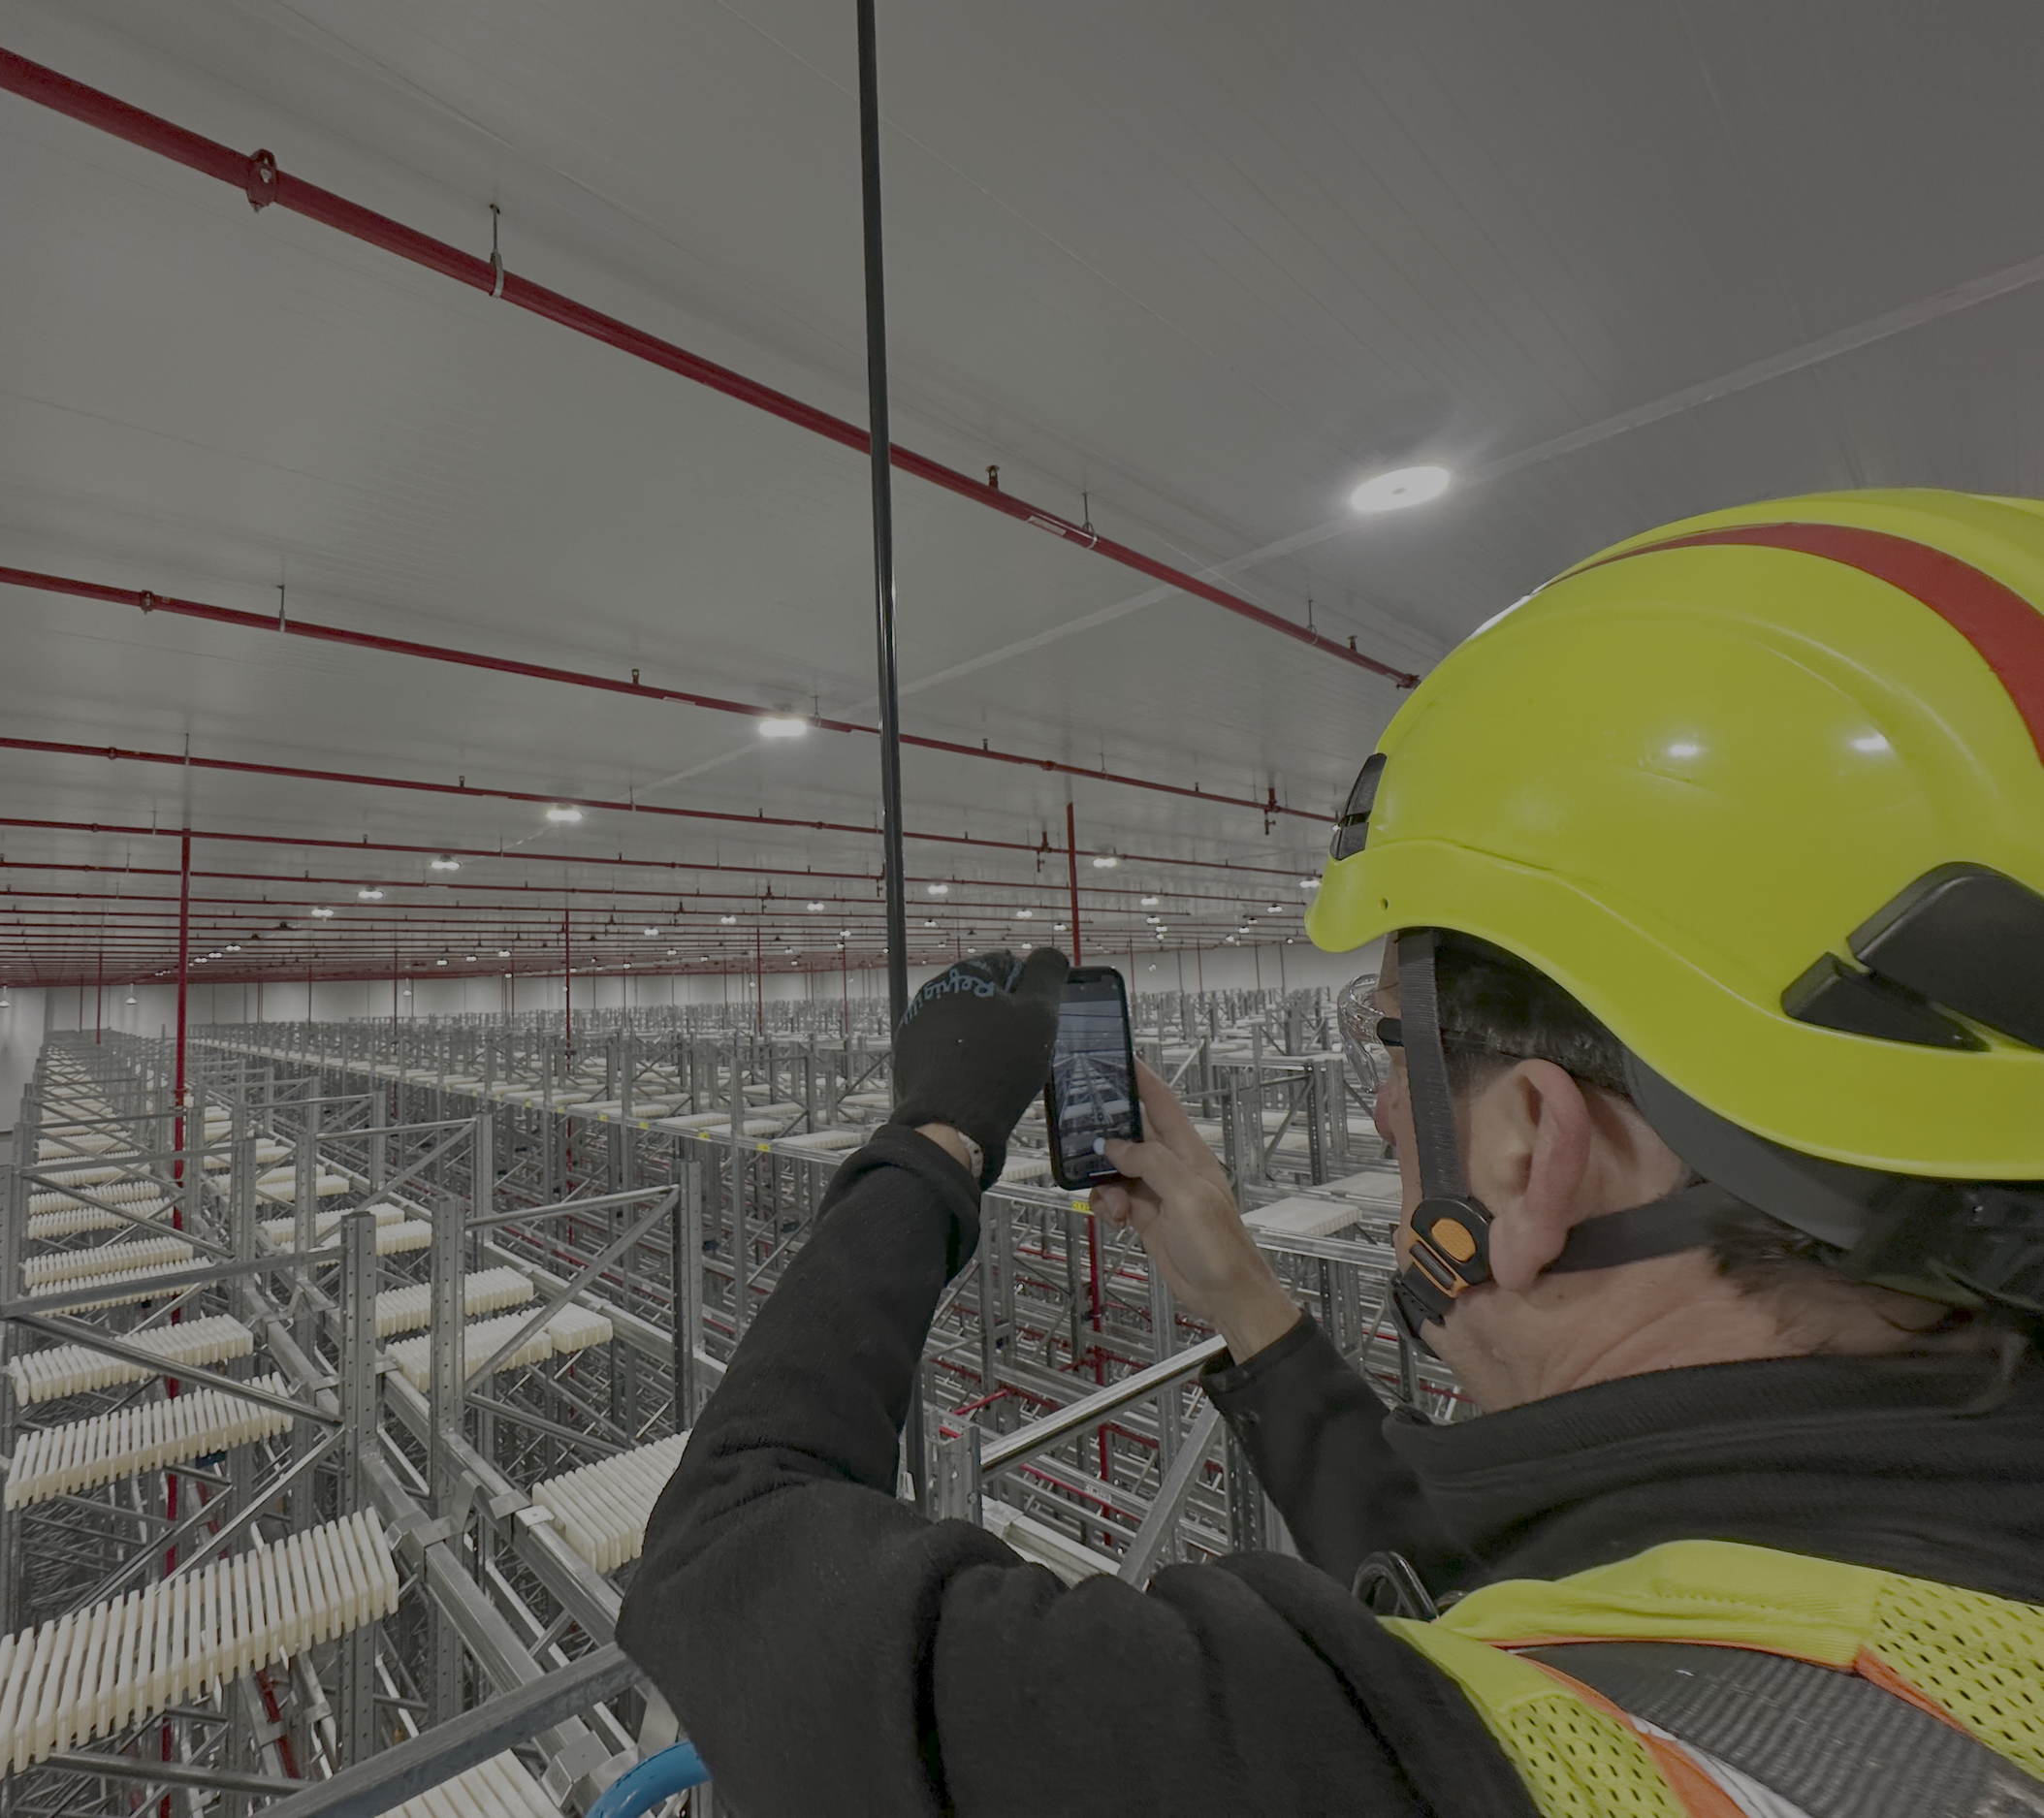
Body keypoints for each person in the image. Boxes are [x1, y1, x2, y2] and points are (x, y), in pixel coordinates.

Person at [617, 489, 2044, 1817]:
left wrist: (930, 1136)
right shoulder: (1910, 1568)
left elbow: (733, 1559)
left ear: (1535, 1138)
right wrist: (1243, 1297)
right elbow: (1532, 1591)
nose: (1376, 1114)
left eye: (1388, 1047)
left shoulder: (1420, 1766)